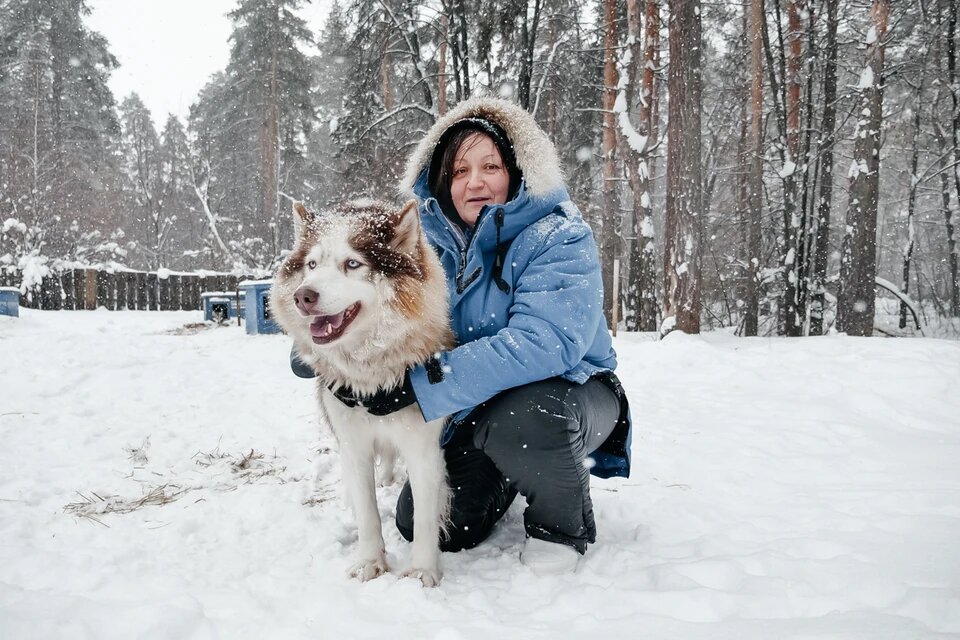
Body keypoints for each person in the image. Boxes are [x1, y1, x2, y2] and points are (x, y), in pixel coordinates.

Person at [295, 97, 631, 574]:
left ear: (517, 169)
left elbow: (548, 342)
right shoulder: (427, 241)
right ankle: (511, 473)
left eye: (490, 165)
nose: (474, 182)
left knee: (528, 417)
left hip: (572, 394)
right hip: (472, 407)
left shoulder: (557, 235)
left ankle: (561, 529)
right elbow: (383, 313)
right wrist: (327, 349)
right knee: (430, 525)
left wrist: (424, 384)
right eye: (459, 171)